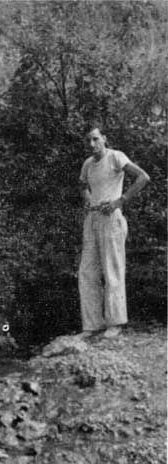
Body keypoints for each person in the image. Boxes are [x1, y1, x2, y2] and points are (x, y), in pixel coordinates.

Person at [78, 124, 150, 339]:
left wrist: (120, 201)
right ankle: (92, 325)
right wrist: (89, 201)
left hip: (111, 219)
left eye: (95, 139)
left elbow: (143, 177)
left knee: (112, 270)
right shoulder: (88, 164)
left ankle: (115, 323)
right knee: (87, 272)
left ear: (104, 138)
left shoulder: (115, 157)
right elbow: (82, 185)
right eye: (88, 140)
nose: (92, 144)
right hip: (92, 219)